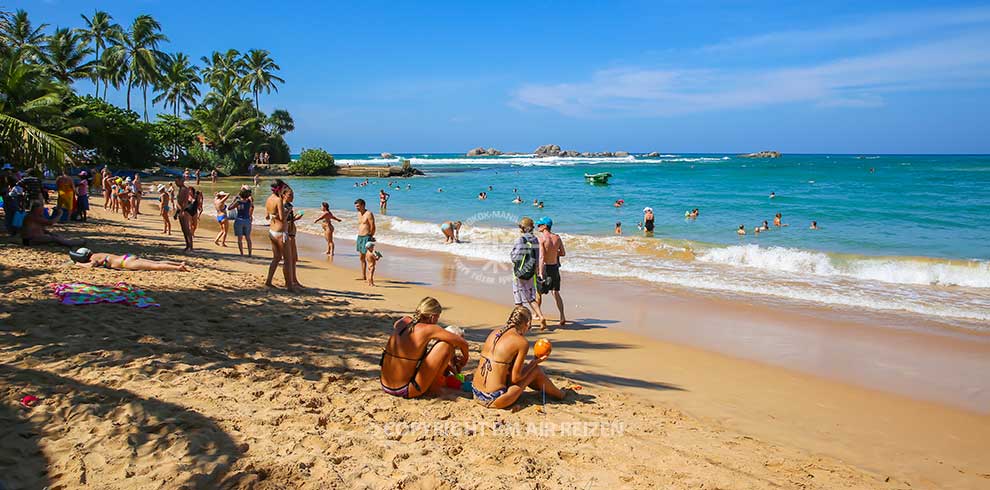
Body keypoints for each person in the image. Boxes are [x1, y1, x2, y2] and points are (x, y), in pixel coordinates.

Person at [472, 306, 564, 409]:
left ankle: (548, 390)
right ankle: (560, 395)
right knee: (535, 370)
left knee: (524, 368)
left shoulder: (494, 333)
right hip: (493, 399)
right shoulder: (521, 342)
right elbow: (515, 379)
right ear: (527, 323)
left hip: (476, 392)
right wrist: (534, 362)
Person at [379, 297, 470, 399]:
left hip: (385, 385)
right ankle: (434, 388)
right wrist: (464, 359)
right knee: (446, 345)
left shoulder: (402, 321)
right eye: (437, 317)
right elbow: (463, 343)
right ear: (432, 316)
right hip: (405, 390)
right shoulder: (431, 329)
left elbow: (406, 336)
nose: (437, 321)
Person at [510, 217, 546, 326]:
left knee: (518, 299)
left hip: (519, 272)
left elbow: (515, 257)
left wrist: (511, 255)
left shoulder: (520, 240)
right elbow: (537, 255)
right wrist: (537, 270)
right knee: (531, 297)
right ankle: (540, 316)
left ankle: (521, 322)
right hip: (531, 272)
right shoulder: (535, 239)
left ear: (523, 228)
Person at [535, 216, 566, 329]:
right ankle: (562, 316)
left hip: (546, 268)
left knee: (539, 292)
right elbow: (563, 253)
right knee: (556, 292)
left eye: (539, 225)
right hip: (555, 267)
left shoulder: (542, 238)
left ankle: (537, 315)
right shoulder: (557, 237)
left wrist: (540, 272)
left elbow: (542, 257)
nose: (538, 226)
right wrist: (554, 254)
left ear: (545, 226)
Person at [264, 180, 295, 291]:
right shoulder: (278, 200)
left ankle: (268, 281)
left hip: (272, 230)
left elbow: (267, 216)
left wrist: (275, 215)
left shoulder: (268, 199)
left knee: (276, 258)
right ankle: (289, 286)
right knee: (287, 260)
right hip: (281, 232)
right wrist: (288, 210)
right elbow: (282, 218)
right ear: (280, 189)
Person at [70, 248, 188, 271]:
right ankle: (178, 263)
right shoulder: (97, 253)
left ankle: (178, 267)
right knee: (155, 262)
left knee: (154, 266)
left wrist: (78, 264)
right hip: (127, 257)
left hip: (125, 263)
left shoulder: (93, 258)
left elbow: (91, 266)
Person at [20, 205, 84, 247]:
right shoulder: (32, 216)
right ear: (36, 210)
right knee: (54, 239)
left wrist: (50, 233)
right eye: (41, 210)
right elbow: (50, 222)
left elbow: (40, 228)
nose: (42, 212)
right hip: (30, 240)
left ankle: (66, 242)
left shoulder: (36, 216)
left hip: (35, 237)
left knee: (56, 236)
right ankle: (69, 243)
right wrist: (60, 214)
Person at [283, 186, 304, 289]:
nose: (292, 197)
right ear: (284, 195)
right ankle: (291, 280)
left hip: (291, 233)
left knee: (294, 258)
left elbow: (289, 220)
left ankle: (294, 279)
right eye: (290, 195)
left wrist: (296, 218)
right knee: (290, 259)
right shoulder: (284, 206)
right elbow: (282, 220)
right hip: (288, 234)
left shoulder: (289, 206)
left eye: (293, 195)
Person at [355, 198, 376, 282]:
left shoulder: (369, 214)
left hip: (367, 237)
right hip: (360, 237)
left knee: (369, 258)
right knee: (361, 257)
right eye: (356, 206)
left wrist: (370, 237)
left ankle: (370, 278)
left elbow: (373, 226)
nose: (357, 208)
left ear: (363, 205)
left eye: (358, 206)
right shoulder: (359, 214)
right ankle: (363, 275)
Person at [175, 176, 195, 251]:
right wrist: (177, 212)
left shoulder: (184, 189)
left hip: (184, 211)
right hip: (180, 210)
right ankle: (187, 245)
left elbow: (185, 202)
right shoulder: (180, 189)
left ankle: (190, 246)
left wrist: (182, 210)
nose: (176, 183)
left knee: (187, 229)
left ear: (181, 181)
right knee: (183, 229)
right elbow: (179, 202)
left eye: (177, 182)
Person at [233, 188, 255, 256]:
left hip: (239, 220)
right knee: (248, 238)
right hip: (247, 220)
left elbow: (230, 208)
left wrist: (235, 200)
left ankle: (242, 253)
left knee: (240, 239)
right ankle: (250, 253)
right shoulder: (249, 202)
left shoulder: (238, 202)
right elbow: (252, 205)